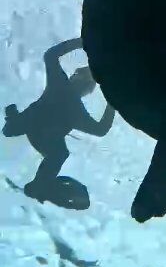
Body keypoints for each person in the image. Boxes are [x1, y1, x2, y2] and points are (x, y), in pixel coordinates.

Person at [3, 37, 115, 206]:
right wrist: (113, 101)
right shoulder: (66, 94)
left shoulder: (64, 91)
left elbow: (50, 56)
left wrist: (83, 42)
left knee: (58, 152)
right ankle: (15, 124)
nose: (85, 84)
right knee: (57, 151)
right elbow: (101, 129)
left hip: (39, 132)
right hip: (39, 131)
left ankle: (15, 124)